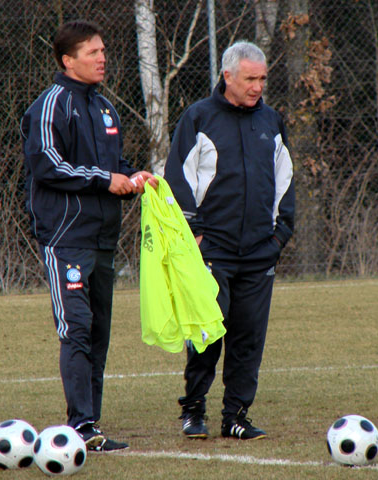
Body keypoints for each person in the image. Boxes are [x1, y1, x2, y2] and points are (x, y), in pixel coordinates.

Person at [21, 20, 156, 452]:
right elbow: (48, 165)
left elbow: (114, 167)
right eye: (92, 52)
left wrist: (134, 177)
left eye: (103, 51)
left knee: (98, 332)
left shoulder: (105, 108)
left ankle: (90, 424)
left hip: (103, 240)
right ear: (68, 60)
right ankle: (80, 425)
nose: (102, 58)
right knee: (76, 328)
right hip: (66, 239)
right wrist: (105, 179)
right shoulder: (50, 105)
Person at [164, 41, 295, 440]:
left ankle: (235, 416)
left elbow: (285, 181)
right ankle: (193, 410)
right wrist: (195, 234)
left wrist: (279, 236)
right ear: (228, 76)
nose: (258, 86)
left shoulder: (271, 121)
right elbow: (178, 180)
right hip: (211, 252)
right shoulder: (199, 117)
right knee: (206, 335)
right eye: (250, 78)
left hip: (259, 253)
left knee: (248, 339)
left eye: (262, 78)